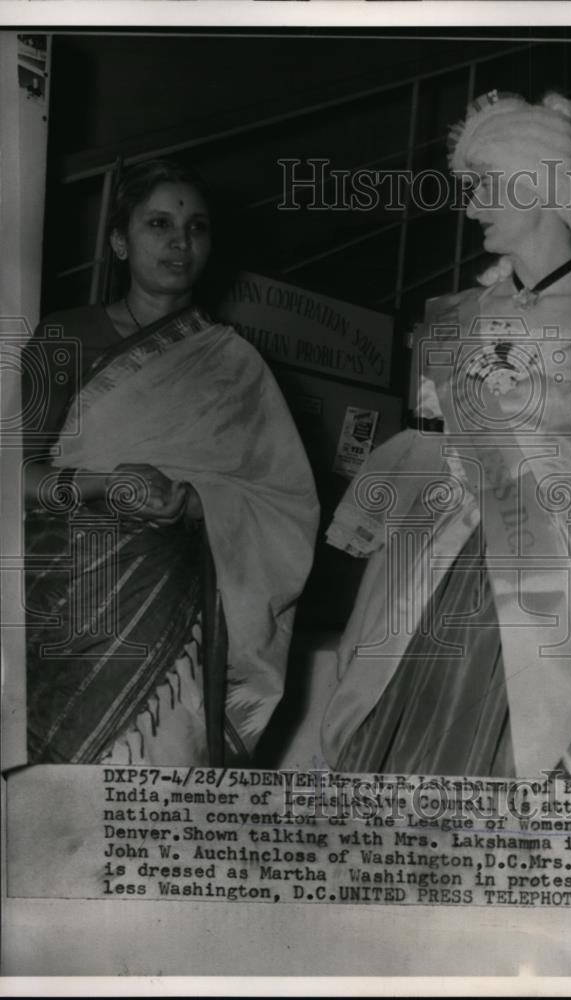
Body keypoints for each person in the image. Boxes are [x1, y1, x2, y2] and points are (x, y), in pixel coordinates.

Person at [323, 91, 571, 781]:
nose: (472, 207)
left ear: (539, 184)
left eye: (486, 188)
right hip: (438, 583)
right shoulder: (449, 317)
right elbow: (421, 476)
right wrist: (370, 619)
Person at [23, 159, 319, 765]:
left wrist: (190, 501)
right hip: (70, 591)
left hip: (180, 608)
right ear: (118, 240)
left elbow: (284, 503)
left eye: (197, 228)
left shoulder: (235, 364)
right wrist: (109, 485)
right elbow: (12, 478)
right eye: (158, 223)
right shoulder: (63, 338)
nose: (180, 243)